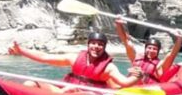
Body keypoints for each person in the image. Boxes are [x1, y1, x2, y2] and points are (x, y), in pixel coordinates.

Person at [8, 32, 143, 91]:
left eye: (100, 44)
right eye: (93, 43)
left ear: (104, 47)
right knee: (30, 83)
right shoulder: (74, 58)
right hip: (67, 88)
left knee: (71, 90)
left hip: (88, 94)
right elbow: (44, 57)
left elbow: (124, 83)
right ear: (88, 45)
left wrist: (137, 76)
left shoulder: (109, 67)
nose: (96, 47)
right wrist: (21, 50)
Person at [115, 18, 182, 84]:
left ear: (158, 51)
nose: (151, 50)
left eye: (154, 49)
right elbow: (126, 42)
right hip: (130, 86)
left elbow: (172, 55)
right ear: (145, 49)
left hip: (148, 89)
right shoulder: (136, 58)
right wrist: (119, 25)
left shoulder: (159, 65)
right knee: (129, 45)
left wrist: (179, 38)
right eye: (149, 48)